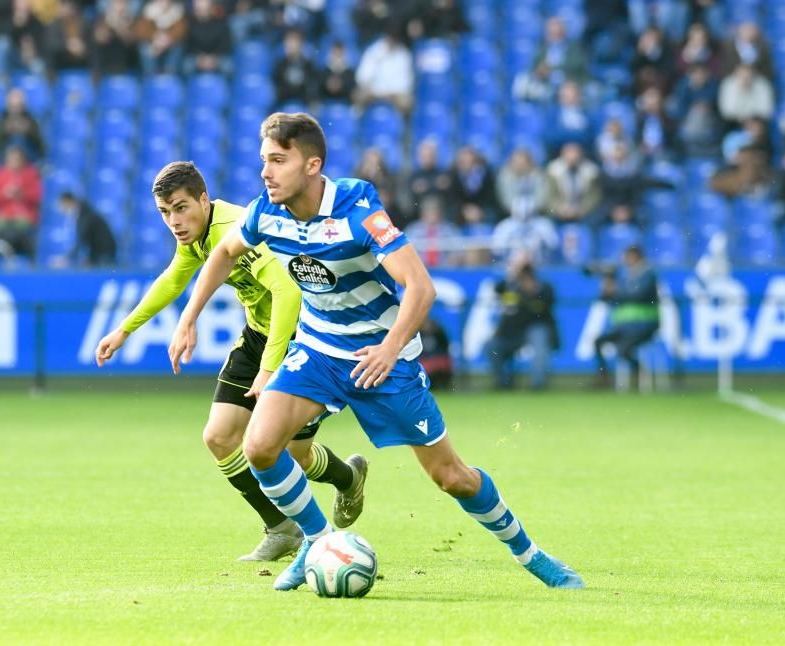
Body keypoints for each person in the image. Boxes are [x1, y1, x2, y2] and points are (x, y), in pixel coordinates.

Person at [169, 112, 584, 591]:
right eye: (264, 160)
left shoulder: (357, 208)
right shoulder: (266, 211)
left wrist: (389, 349)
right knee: (260, 446)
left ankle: (530, 555)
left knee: (451, 477)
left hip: (383, 360)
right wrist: (188, 316)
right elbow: (222, 252)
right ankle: (318, 541)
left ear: (312, 165)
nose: (265, 172)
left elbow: (420, 288)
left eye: (278, 161)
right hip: (319, 351)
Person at [94, 161, 367, 562]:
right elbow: (173, 278)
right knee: (219, 436)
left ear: (204, 200)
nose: (174, 221)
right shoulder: (197, 235)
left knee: (291, 453)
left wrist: (269, 368)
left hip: (305, 339)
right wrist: (125, 330)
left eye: (182, 208)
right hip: (260, 334)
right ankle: (281, 527)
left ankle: (348, 477)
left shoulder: (236, 229)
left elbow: (288, 294)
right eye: (165, 212)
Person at [591, 244, 660, 388]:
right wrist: (606, 290)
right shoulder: (626, 277)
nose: (624, 260)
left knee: (623, 349)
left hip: (645, 325)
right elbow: (607, 299)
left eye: (627, 257)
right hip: (625, 327)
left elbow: (637, 295)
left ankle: (639, 374)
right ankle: (603, 379)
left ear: (635, 257)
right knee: (599, 342)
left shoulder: (648, 275)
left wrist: (614, 290)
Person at [489, 261, 558, 391]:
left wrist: (534, 292)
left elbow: (549, 302)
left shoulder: (543, 288)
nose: (524, 282)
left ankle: (538, 385)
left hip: (535, 328)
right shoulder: (513, 287)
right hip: (514, 332)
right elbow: (497, 288)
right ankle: (503, 383)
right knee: (491, 346)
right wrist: (512, 275)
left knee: (539, 341)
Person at [0, 145, 42, 259]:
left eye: (17, 159)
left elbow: (36, 197)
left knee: (19, 231)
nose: (14, 161)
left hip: (24, 216)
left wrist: (21, 194)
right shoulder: (0, 174)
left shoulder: (31, 174)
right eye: (11, 158)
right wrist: (5, 194)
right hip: (4, 216)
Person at [58, 192, 117, 267]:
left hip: (104, 254)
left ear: (68, 201)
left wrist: (66, 258)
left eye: (62, 204)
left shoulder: (85, 215)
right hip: (97, 253)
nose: (61, 208)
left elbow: (82, 238)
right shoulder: (83, 212)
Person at [0, 88, 45, 162]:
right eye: (13, 106)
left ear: (24, 106)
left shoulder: (31, 120)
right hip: (5, 164)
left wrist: (30, 132)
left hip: (29, 164)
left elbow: (41, 148)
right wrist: (5, 132)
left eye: (19, 106)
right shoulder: (1, 120)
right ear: (7, 106)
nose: (16, 110)